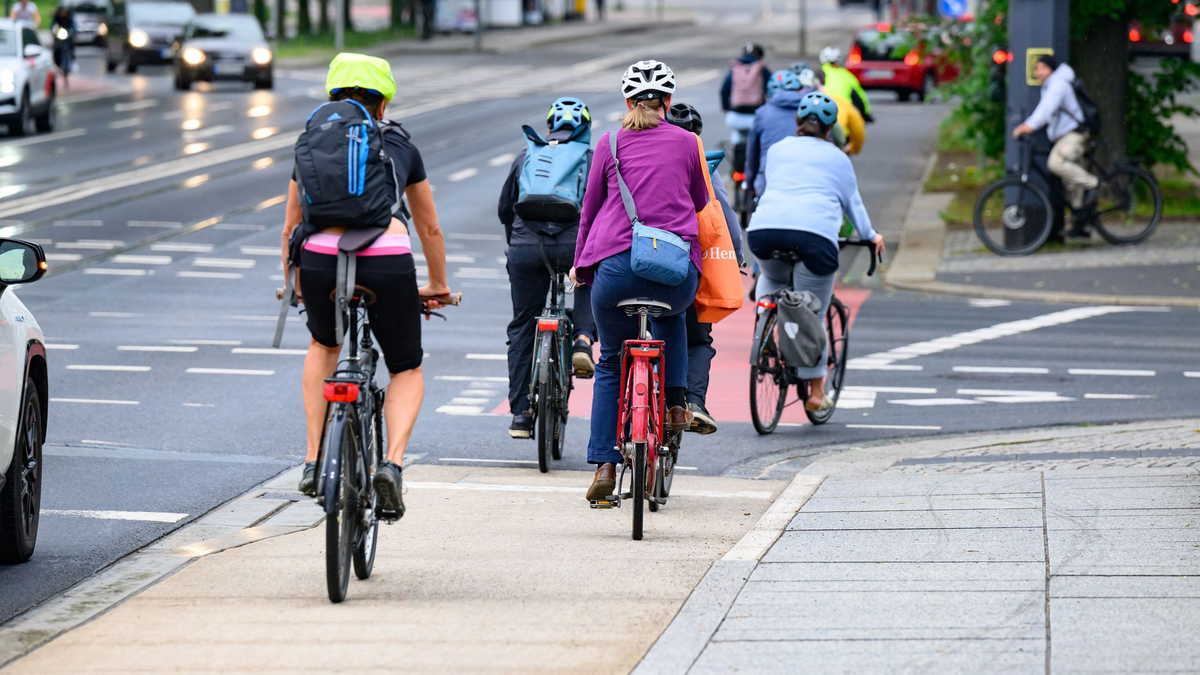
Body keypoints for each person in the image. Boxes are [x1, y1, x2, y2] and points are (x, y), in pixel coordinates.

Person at [281, 53, 452, 520]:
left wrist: (291, 282)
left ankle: (315, 458)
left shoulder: (313, 143)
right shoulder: (400, 144)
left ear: (333, 98)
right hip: (387, 260)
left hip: (317, 262)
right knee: (406, 368)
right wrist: (437, 284)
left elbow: (291, 225)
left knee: (323, 344)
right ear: (382, 104)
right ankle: (391, 465)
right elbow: (430, 227)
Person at [573, 60, 708, 500]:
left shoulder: (608, 143)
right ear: (669, 102)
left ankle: (604, 468)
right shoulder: (689, 142)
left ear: (627, 101)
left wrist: (581, 265)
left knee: (611, 361)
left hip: (614, 269)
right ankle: (674, 402)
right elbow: (699, 199)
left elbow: (589, 212)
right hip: (673, 268)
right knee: (673, 317)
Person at [746, 92, 884, 412]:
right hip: (812, 238)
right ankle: (816, 392)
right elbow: (854, 206)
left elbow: (770, 187)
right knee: (814, 311)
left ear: (797, 121)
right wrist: (871, 236)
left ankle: (764, 320)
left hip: (763, 231)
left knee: (773, 276)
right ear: (831, 128)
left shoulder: (779, 150)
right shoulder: (838, 158)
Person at [498, 96, 597, 439]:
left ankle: (521, 416)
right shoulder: (590, 158)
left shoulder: (527, 155)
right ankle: (583, 340)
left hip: (527, 248)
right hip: (574, 248)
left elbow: (505, 209)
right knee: (590, 279)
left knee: (524, 324)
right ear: (584, 127)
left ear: (550, 126)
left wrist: (516, 242)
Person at [665, 102, 745, 435]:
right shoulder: (705, 167)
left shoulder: (643, 158)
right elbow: (723, 215)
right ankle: (693, 401)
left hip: (635, 266)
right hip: (688, 268)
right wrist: (736, 256)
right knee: (697, 339)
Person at [1013, 55, 1099, 217]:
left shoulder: (1058, 85)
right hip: (1066, 137)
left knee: (1055, 163)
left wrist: (1028, 126)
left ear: (1048, 68)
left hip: (1074, 136)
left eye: (1039, 68)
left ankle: (1094, 183)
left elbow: (1046, 110)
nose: (1037, 73)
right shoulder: (1051, 86)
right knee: (1072, 183)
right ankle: (1080, 219)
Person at [746, 70, 813, 197]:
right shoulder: (809, 111)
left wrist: (750, 183)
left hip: (769, 181)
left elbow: (752, 153)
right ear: (799, 89)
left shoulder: (762, 113)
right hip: (804, 180)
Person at [800, 67, 865, 155]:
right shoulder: (838, 100)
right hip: (835, 142)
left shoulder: (796, 102)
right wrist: (853, 148)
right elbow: (858, 128)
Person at [720, 43, 771, 148]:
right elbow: (771, 88)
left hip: (735, 116)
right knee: (758, 141)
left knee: (736, 134)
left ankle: (735, 155)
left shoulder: (735, 68)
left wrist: (726, 109)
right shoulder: (762, 69)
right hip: (756, 116)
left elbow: (724, 91)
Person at [820, 46, 873, 123]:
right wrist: (866, 114)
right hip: (844, 111)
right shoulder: (847, 75)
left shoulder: (818, 73)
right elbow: (859, 96)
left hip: (822, 111)